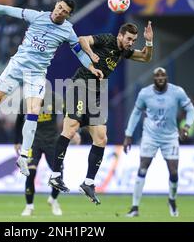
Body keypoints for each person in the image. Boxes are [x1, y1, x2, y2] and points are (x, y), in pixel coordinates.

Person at [0, 0, 99, 177]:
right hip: (17, 66)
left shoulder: (68, 30)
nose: (59, 11)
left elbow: (79, 52)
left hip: (37, 74)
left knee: (33, 110)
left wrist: (92, 67)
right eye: (59, 7)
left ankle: (24, 156)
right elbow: (6, 9)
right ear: (55, 5)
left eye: (64, 11)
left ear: (68, 15)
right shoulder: (36, 16)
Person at [48, 22, 154, 205]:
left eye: (134, 40)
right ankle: (56, 175)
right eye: (129, 39)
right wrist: (91, 54)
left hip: (97, 93)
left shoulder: (123, 51)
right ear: (120, 36)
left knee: (101, 137)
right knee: (71, 128)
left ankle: (88, 183)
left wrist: (149, 42)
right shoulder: (107, 39)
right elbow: (82, 40)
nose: (131, 43)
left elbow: (145, 57)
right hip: (80, 85)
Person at [122, 67, 194, 217]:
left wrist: (186, 126)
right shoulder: (145, 93)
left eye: (163, 75)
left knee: (174, 171)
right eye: (157, 75)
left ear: (167, 77)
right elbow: (136, 113)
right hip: (150, 136)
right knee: (143, 167)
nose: (160, 77)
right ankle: (135, 207)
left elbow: (191, 110)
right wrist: (128, 134)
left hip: (170, 137)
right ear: (153, 78)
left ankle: (172, 200)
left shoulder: (177, 92)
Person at [14, 90, 80, 216]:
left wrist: (73, 131)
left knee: (58, 173)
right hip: (34, 141)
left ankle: (53, 200)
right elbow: (18, 121)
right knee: (30, 172)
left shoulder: (55, 98)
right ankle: (29, 206)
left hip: (52, 141)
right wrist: (16, 141)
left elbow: (68, 114)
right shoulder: (28, 100)